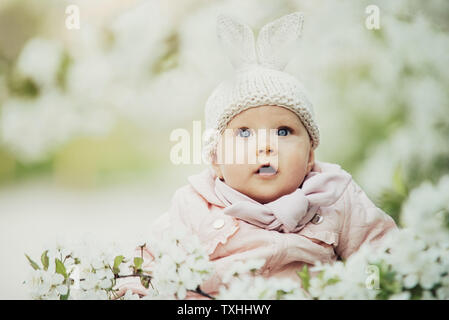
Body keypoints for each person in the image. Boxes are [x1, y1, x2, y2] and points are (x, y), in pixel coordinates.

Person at [116, 12, 397, 299]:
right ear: (216, 161)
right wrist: (137, 291)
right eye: (245, 133)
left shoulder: (334, 197)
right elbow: (148, 265)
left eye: (284, 132)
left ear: (311, 155)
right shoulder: (193, 206)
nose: (266, 146)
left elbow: (384, 251)